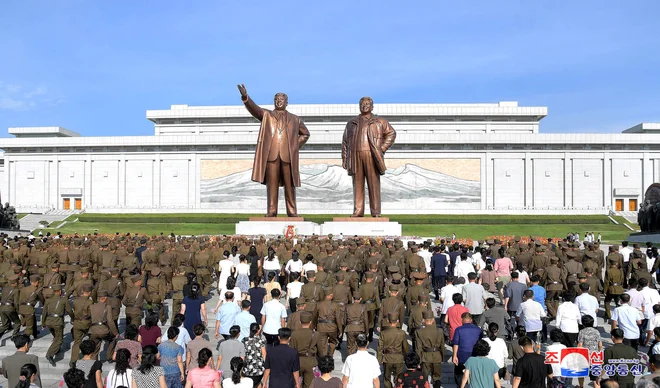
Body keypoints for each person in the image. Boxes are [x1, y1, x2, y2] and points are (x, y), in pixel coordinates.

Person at [452, 312, 483, 384]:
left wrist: (454, 356)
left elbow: (456, 343)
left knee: (459, 372)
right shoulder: (478, 330)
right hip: (474, 354)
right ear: (471, 320)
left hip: (462, 355)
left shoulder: (458, 329)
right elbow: (481, 343)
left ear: (462, 320)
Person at [577, 315, 603, 388]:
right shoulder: (596, 331)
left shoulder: (582, 332)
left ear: (583, 323)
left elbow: (580, 344)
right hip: (594, 357)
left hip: (584, 357)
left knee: (581, 374)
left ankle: (581, 386)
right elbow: (600, 344)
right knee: (595, 378)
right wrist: (598, 352)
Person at [242, 323, 267, 388]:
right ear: (258, 330)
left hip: (247, 369)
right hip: (259, 369)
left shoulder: (245, 340)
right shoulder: (261, 341)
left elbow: (242, 354)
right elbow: (264, 354)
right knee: (257, 383)